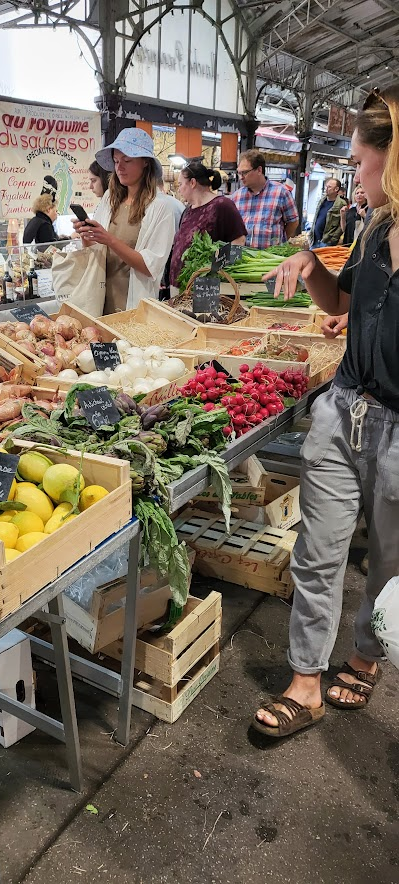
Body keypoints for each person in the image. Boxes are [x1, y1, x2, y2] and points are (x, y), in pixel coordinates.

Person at [252, 84, 399, 739]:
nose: (354, 173)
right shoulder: (375, 229)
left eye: (359, 160)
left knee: (389, 562)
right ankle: (305, 681)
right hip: (343, 410)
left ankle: (365, 657)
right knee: (317, 552)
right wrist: (309, 264)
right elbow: (338, 304)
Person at [73, 128, 175, 313]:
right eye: (116, 161)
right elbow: (95, 250)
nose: (119, 167)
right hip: (100, 299)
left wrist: (109, 240)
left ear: (145, 162)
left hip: (134, 305)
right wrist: (86, 235)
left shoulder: (161, 207)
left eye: (127, 161)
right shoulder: (110, 199)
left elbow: (150, 267)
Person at [169, 161, 246, 286]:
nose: (179, 189)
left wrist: (213, 267)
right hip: (180, 284)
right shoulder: (188, 210)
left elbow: (239, 242)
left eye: (181, 184)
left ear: (192, 183)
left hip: (205, 286)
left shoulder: (222, 205)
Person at [231, 150, 299, 248]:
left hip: (271, 255)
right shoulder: (236, 197)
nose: (241, 177)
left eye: (245, 172)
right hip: (244, 255)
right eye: (239, 173)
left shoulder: (281, 192)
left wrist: (280, 242)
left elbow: (293, 222)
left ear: (259, 170)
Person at [310, 177, 347, 247]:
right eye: (326, 186)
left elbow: (341, 224)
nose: (326, 189)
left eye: (329, 187)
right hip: (315, 240)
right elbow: (316, 218)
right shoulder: (322, 201)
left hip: (327, 242)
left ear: (336, 189)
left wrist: (333, 239)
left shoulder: (341, 204)